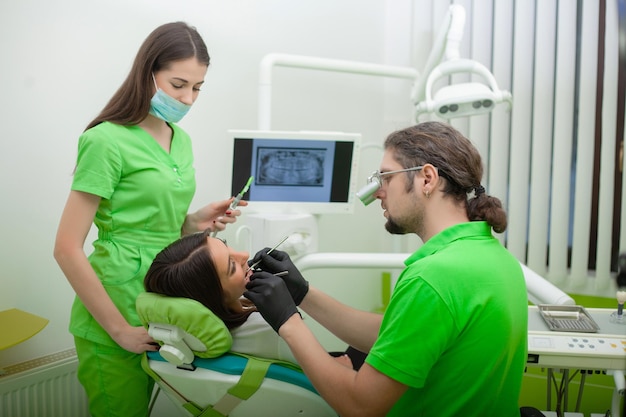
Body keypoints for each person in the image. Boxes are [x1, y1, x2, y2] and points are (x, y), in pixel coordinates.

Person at [244, 121, 529, 417]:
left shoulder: (434, 277)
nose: (379, 192)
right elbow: (398, 333)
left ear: (427, 179)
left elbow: (359, 406)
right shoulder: (495, 257)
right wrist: (302, 293)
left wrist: (288, 322)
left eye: (386, 177)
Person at [53, 22, 246, 417]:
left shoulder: (182, 139)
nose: (188, 99)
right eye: (178, 85)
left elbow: (160, 227)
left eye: (197, 88)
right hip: (115, 308)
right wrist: (118, 330)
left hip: (163, 302)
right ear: (148, 73)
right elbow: (66, 248)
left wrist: (195, 222)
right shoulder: (106, 140)